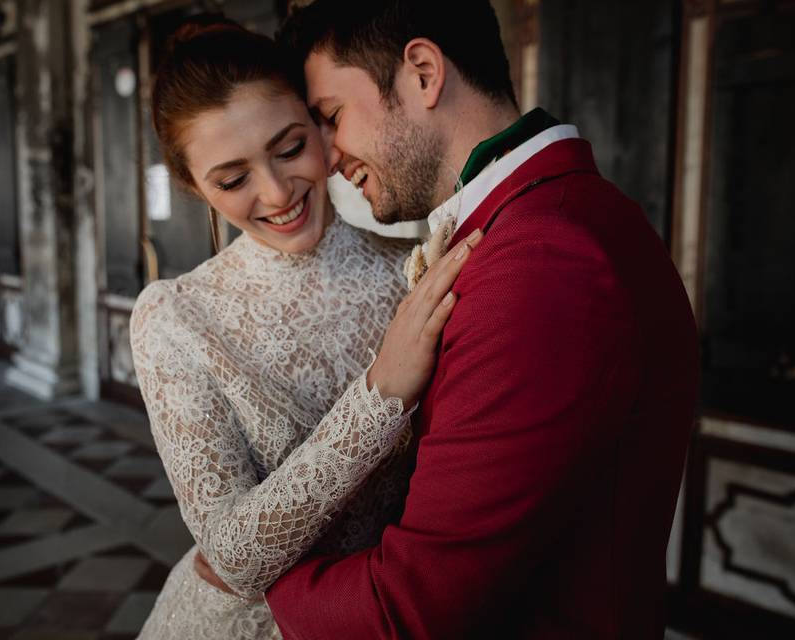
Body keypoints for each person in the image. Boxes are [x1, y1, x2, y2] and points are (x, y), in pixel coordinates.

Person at [245, 1, 701, 638]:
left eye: (331, 117)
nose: (324, 157)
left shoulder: (542, 258)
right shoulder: (548, 214)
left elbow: (414, 605)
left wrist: (257, 567)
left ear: (424, 72)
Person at [129, 17, 482, 639]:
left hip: (387, 618)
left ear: (323, 129)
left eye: (290, 148)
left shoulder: (415, 271)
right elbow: (233, 557)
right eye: (232, 180)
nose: (275, 192)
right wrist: (382, 395)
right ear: (194, 187)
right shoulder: (176, 316)